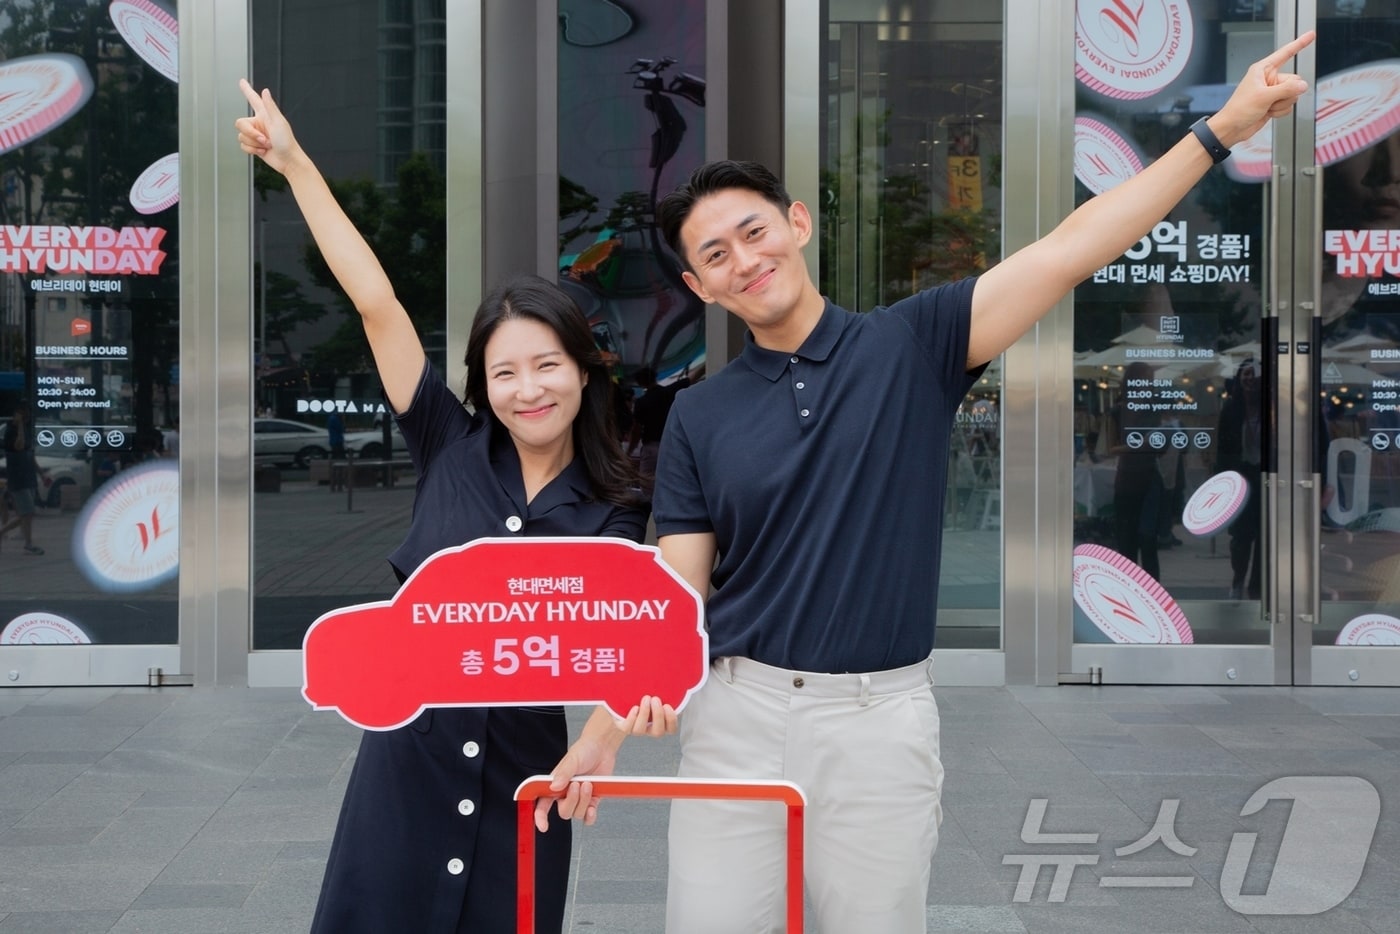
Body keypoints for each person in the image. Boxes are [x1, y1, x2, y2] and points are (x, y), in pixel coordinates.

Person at [542, 32, 1314, 933]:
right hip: (735, 716)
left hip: (878, 720)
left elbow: (1071, 248)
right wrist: (601, 729)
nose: (743, 259)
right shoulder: (702, 418)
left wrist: (1221, 129)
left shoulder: (914, 343)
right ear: (699, 286)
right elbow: (679, 594)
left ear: (796, 223)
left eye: (754, 231)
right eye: (715, 255)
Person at [236, 79, 672, 934]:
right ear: (484, 384)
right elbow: (376, 302)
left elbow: (627, 645)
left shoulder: (618, 502)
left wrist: (624, 716)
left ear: (583, 372)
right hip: (409, 759)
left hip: (526, 771)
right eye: (504, 372)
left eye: (547, 365)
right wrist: (295, 166)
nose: (527, 389)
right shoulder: (445, 441)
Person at [1108, 361, 1163, 581]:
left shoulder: (1153, 409)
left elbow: (1159, 446)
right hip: (1127, 480)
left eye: (1150, 380)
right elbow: (1111, 447)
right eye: (1145, 379)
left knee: (1148, 539)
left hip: (1149, 478)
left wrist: (1148, 445)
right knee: (1127, 542)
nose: (1148, 384)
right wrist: (1141, 446)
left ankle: (1153, 593)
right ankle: (1129, 592)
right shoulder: (1118, 411)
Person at [1218, 357, 1263, 599]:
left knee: (1264, 537)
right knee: (1240, 537)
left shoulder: (1273, 407)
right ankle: (1238, 579)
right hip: (1239, 478)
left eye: (1254, 374)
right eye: (1245, 374)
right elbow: (1222, 449)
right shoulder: (1231, 409)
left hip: (1266, 478)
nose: (1249, 379)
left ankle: (1257, 587)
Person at [0, 402, 44, 555]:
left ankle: (27, 542)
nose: (26, 417)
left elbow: (30, 454)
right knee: (28, 512)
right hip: (18, 478)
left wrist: (41, 474)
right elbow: (19, 446)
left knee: (26, 514)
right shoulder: (11, 430)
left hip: (28, 476)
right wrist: (18, 425)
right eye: (23, 414)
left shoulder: (25, 429)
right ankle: (28, 543)